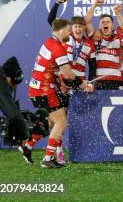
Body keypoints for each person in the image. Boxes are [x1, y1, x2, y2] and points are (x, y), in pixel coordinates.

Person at [28, 19, 94, 168]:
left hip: (39, 88)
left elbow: (61, 73)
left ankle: (31, 146)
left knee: (52, 122)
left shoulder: (49, 42)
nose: (70, 32)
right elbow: (68, 74)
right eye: (69, 29)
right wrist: (83, 84)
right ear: (61, 30)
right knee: (61, 121)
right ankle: (47, 157)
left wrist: (70, 82)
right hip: (44, 90)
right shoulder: (57, 48)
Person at [0, 57, 36, 164]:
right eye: (13, 83)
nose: (12, 87)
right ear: (10, 77)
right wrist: (24, 135)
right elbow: (13, 114)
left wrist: (2, 123)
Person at [85, 0, 123, 90]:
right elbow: (87, 22)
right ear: (99, 26)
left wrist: (117, 13)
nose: (105, 23)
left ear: (112, 26)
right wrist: (94, 6)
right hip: (99, 81)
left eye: (108, 22)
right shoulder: (94, 37)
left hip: (117, 81)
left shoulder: (118, 37)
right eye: (103, 22)